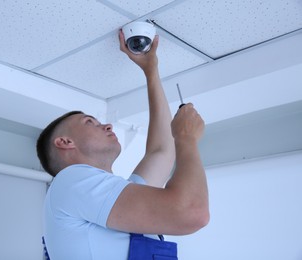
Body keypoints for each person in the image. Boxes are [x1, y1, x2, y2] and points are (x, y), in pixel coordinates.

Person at [36, 30, 209, 259]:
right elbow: (192, 212)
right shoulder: (71, 181)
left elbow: (162, 151)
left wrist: (151, 71)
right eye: (90, 122)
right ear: (65, 142)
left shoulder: (97, 194)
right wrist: (186, 139)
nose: (107, 126)